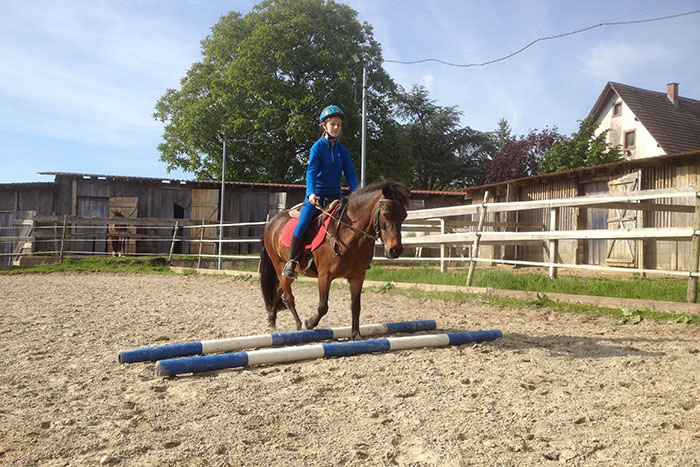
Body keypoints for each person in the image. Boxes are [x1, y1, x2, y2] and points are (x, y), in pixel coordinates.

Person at [282, 105, 359, 277]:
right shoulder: (317, 147)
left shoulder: (343, 151)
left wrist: (356, 194)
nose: (336, 127)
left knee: (355, 221)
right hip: (317, 196)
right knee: (303, 223)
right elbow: (311, 172)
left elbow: (351, 175)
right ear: (324, 125)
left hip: (336, 196)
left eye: (339, 124)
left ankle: (356, 258)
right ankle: (291, 261)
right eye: (333, 124)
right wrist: (311, 193)